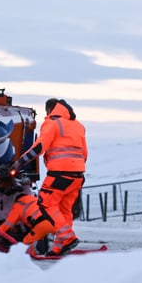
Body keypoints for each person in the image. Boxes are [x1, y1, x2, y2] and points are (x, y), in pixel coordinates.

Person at [12, 98, 87, 256]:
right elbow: (84, 154)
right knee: (64, 210)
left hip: (59, 173)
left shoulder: (52, 123)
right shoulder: (78, 126)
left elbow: (39, 147)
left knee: (45, 204)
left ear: (50, 110)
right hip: (78, 175)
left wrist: (19, 163)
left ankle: (68, 237)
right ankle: (59, 247)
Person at [0, 193, 72, 256]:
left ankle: (33, 253)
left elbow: (8, 223)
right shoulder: (35, 199)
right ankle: (58, 248)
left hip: (42, 225)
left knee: (25, 244)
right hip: (56, 222)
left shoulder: (18, 205)